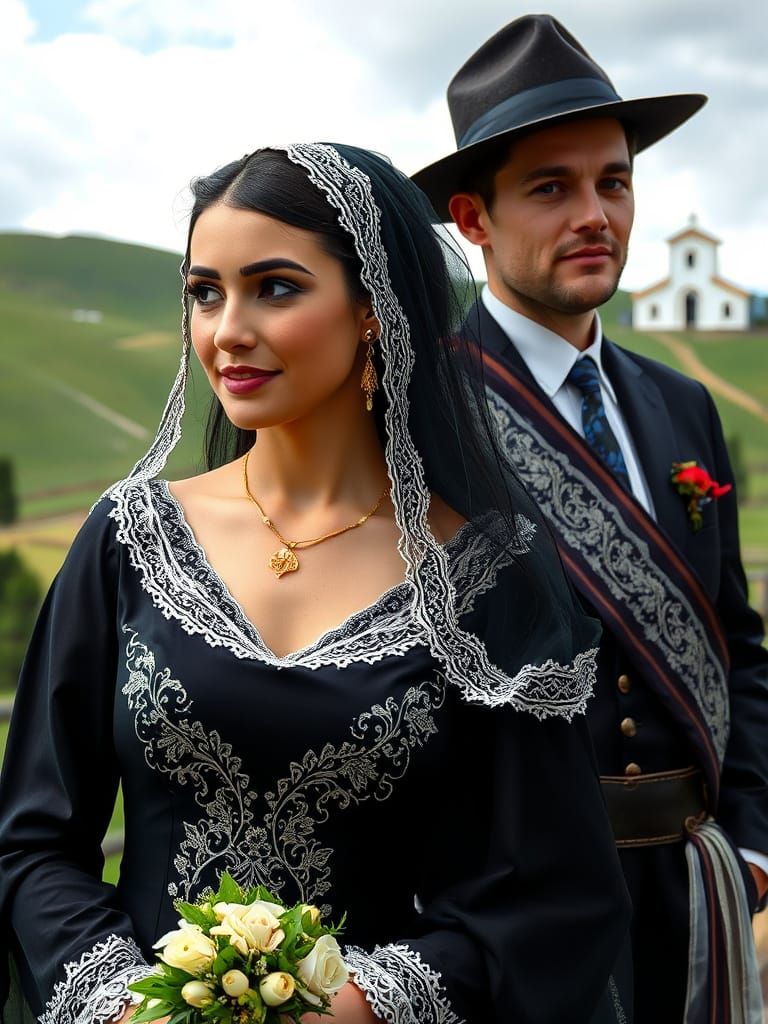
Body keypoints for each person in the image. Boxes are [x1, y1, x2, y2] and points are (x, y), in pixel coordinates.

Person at [0, 143, 632, 1024]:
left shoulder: (489, 575)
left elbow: (550, 897)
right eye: (205, 292)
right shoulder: (129, 540)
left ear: (374, 308)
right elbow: (32, 842)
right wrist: (121, 1003)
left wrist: (360, 1004)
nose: (228, 331)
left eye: (277, 287)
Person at [412, 13, 768, 1024]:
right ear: (474, 220)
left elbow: (737, 646)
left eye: (613, 182)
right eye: (551, 188)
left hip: (696, 896)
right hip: (508, 919)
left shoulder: (680, 402)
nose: (595, 215)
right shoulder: (419, 411)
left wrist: (749, 845)